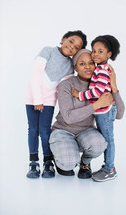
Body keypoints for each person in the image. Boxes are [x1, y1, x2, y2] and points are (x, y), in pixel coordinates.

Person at [49, 49, 125, 179]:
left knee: (100, 144)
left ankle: (84, 163)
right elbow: (68, 117)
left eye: (91, 63)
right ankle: (60, 155)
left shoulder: (100, 85)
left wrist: (113, 85)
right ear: (76, 67)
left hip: (86, 131)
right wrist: (97, 105)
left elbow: (119, 114)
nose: (88, 67)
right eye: (82, 64)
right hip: (63, 130)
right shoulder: (66, 85)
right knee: (68, 164)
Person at [25, 30, 87, 179]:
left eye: (77, 47)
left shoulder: (70, 67)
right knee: (33, 130)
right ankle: (33, 162)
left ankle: (48, 162)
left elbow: (64, 86)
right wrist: (38, 99)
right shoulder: (48, 51)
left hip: (48, 102)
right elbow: (35, 75)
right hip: (32, 97)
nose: (72, 47)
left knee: (45, 131)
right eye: (71, 41)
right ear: (63, 39)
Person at [71, 35, 123, 182]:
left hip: (105, 112)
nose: (95, 54)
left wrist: (79, 95)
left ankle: (110, 169)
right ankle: (107, 166)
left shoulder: (102, 70)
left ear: (109, 54)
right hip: (101, 111)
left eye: (100, 51)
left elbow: (97, 92)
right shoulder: (99, 69)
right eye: (94, 51)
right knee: (106, 139)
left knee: (108, 140)